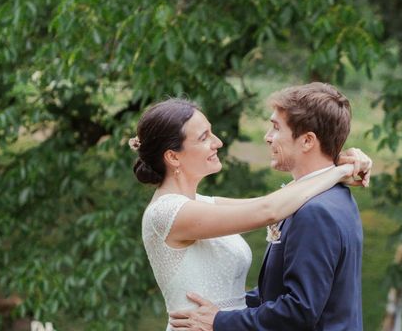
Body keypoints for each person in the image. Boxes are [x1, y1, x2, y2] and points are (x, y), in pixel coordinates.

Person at [130, 95, 371, 331]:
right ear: (173, 156)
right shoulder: (168, 212)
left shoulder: (202, 203)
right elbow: (268, 210)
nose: (218, 142)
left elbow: (271, 203)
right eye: (204, 137)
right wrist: (340, 170)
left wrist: (332, 162)